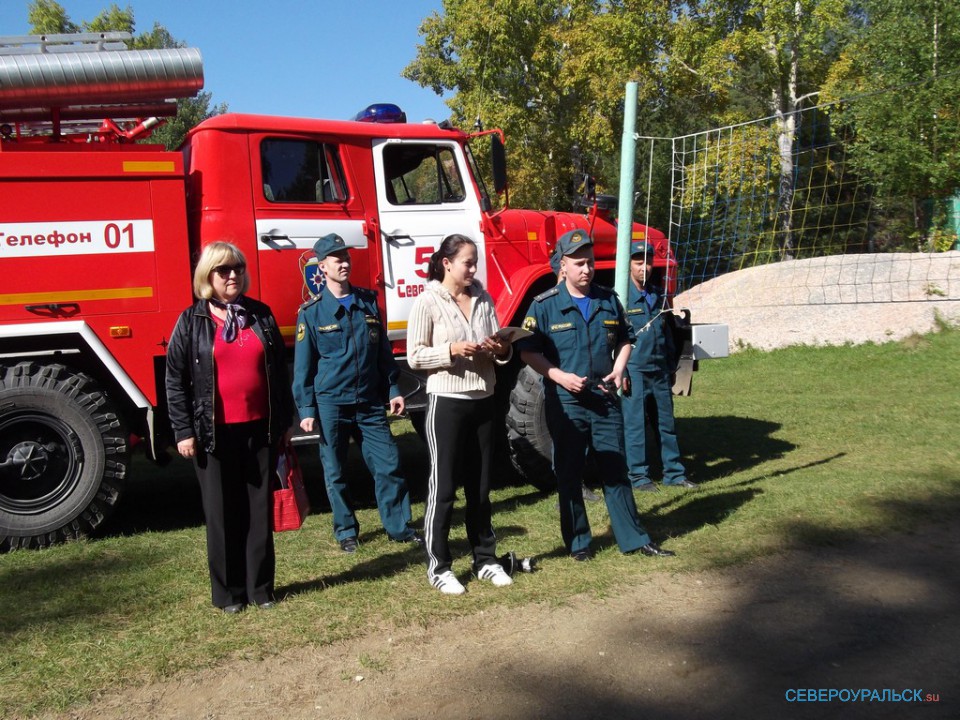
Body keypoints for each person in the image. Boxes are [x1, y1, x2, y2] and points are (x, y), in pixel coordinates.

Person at [517, 229, 675, 561]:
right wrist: (558, 376)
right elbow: (528, 352)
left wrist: (619, 369)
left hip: (604, 398)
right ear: (562, 266)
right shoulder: (544, 305)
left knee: (615, 469)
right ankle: (578, 542)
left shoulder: (607, 299)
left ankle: (633, 538)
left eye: (589, 263)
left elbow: (625, 339)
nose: (586, 270)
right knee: (570, 473)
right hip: (567, 401)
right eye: (578, 264)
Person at [166, 241, 293, 613]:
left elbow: (278, 373)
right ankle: (229, 594)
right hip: (212, 434)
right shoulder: (191, 321)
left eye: (237, 267)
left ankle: (261, 589)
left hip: (259, 430)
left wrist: (283, 421)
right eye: (224, 270)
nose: (233, 275)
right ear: (208, 276)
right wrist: (183, 430)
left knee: (257, 511)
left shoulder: (261, 315)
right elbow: (175, 380)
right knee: (222, 514)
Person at [292, 233, 420, 553]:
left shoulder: (367, 302)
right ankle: (346, 530)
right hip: (331, 402)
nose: (344, 263)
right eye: (337, 259)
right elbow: (303, 369)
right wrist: (306, 410)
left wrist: (393, 388)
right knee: (335, 471)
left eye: (346, 257)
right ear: (322, 267)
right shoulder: (311, 313)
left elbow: (383, 355)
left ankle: (399, 526)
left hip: (369, 400)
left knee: (388, 463)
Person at [407, 234, 514, 595]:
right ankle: (439, 566)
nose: (473, 269)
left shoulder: (483, 298)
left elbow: (502, 352)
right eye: (467, 262)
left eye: (475, 262)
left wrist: (499, 349)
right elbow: (415, 356)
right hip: (446, 402)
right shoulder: (427, 300)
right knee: (445, 488)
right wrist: (451, 349)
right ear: (446, 263)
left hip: (483, 398)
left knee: (481, 488)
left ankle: (485, 559)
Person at [622, 241, 696, 491]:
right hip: (634, 370)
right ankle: (639, 476)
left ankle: (674, 473)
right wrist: (619, 370)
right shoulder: (620, 297)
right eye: (638, 262)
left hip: (660, 369)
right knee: (635, 426)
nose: (645, 267)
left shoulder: (658, 294)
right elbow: (614, 339)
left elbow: (666, 332)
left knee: (666, 423)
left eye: (648, 262)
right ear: (628, 265)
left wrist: (672, 365)